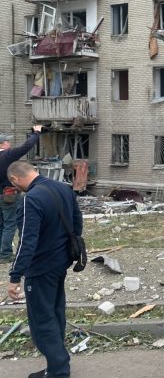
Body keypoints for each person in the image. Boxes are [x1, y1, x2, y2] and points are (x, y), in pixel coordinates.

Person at [6, 160, 82, 378]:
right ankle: (58, 364)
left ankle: (58, 371)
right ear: (34, 171)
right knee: (56, 311)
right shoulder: (63, 188)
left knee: (41, 319)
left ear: (15, 179)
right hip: (61, 262)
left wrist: (15, 276)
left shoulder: (31, 199)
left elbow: (27, 241)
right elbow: (77, 224)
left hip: (40, 267)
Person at [0, 125, 42, 264]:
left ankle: (2, 252)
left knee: (1, 224)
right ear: (2, 144)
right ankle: (5, 254)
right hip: (9, 195)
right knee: (10, 224)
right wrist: (36, 133)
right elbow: (26, 146)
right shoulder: (7, 155)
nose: (9, 143)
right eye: (7, 141)